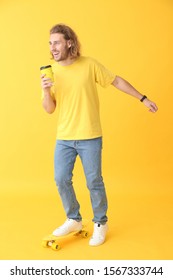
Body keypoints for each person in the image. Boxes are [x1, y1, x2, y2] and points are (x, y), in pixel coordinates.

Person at [41, 23, 158, 246]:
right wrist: (46, 90)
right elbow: (49, 109)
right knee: (61, 179)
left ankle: (100, 222)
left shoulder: (89, 64)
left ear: (69, 42)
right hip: (64, 137)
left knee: (94, 181)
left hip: (90, 135)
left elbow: (116, 80)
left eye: (56, 42)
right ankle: (73, 219)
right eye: (50, 43)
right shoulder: (52, 71)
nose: (52, 47)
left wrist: (143, 98)